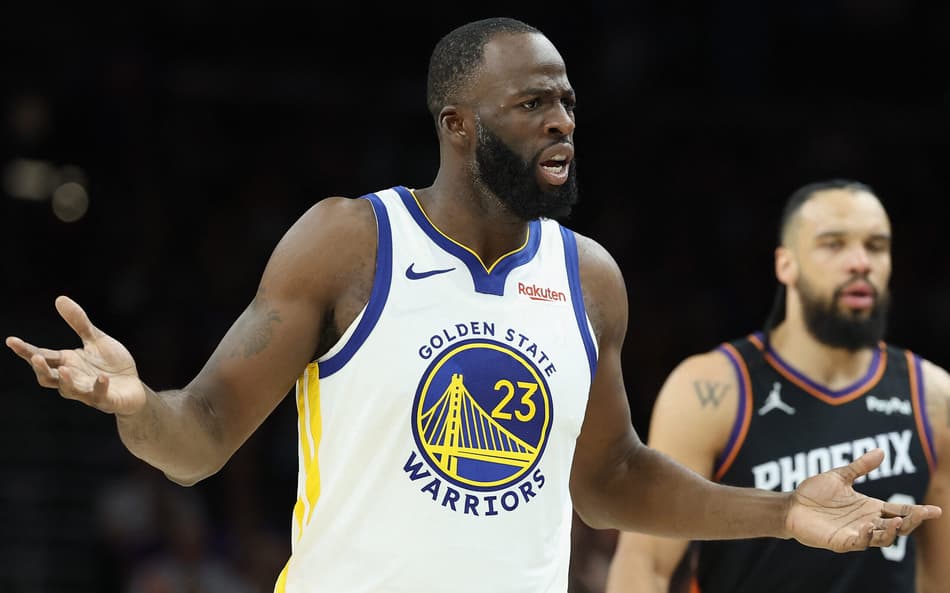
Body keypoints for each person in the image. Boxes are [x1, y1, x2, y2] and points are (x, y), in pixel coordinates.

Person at [5, 20, 942, 593]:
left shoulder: (589, 277)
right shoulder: (350, 243)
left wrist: (783, 512)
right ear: (457, 124)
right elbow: (200, 437)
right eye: (533, 103)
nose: (562, 120)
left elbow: (610, 478)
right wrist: (138, 406)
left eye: (567, 101)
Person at [605, 180, 950, 593]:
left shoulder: (932, 394)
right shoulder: (712, 390)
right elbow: (645, 564)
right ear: (786, 264)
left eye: (876, 246)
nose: (860, 262)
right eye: (833, 244)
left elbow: (940, 576)